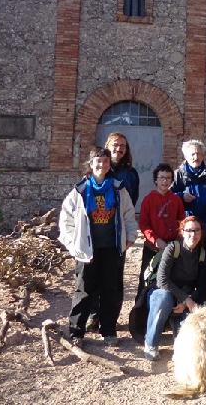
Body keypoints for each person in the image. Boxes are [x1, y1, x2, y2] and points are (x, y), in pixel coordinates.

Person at [58, 147, 138, 347]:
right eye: (98, 162)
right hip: (87, 250)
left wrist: (130, 236)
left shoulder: (118, 189)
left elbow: (128, 214)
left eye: (105, 162)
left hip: (111, 247)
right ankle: (77, 332)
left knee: (111, 290)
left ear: (109, 165)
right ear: (91, 164)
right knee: (84, 290)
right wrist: (72, 244)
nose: (101, 165)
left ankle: (108, 330)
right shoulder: (80, 190)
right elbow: (65, 218)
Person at [144, 216, 206, 361]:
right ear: (182, 232)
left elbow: (203, 285)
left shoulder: (202, 253)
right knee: (163, 298)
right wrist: (184, 299)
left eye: (197, 230)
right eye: (189, 230)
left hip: (185, 296)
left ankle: (179, 349)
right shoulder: (173, 247)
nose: (193, 234)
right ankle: (151, 344)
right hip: (162, 293)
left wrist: (187, 301)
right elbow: (162, 280)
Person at [136, 163, 185, 300]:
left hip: (171, 248)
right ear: (156, 180)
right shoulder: (148, 199)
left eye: (168, 178)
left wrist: (177, 242)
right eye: (162, 178)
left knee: (169, 279)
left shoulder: (176, 200)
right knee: (146, 279)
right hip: (152, 247)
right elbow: (144, 224)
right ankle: (140, 313)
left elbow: (182, 223)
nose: (165, 181)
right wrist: (155, 239)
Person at [172, 139, 206, 252]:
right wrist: (181, 196)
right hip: (186, 227)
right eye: (192, 154)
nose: (195, 157)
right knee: (186, 260)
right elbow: (168, 197)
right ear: (186, 156)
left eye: (199, 153)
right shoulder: (178, 174)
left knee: (205, 259)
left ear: (203, 156)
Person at [105, 132, 140, 208]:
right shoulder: (98, 170)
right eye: (115, 145)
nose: (118, 149)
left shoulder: (132, 173)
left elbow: (133, 199)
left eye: (122, 146)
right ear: (107, 147)